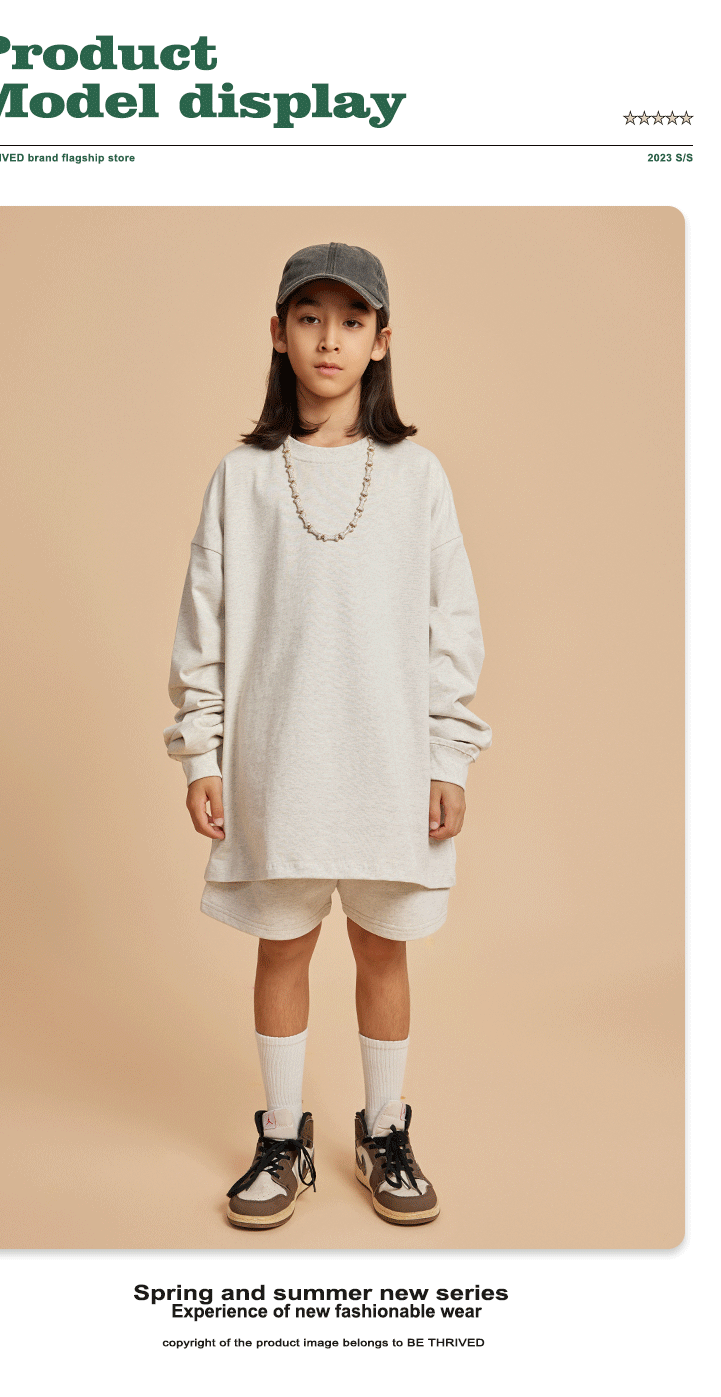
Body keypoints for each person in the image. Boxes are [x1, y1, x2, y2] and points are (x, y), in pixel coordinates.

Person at [163, 242, 491, 1229]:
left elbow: (451, 624)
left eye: (352, 320)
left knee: (383, 950)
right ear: (278, 332)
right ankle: (281, 1137)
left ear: (382, 340)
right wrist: (202, 751)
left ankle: (384, 1130)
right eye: (310, 317)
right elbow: (204, 624)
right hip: (278, 759)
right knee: (282, 948)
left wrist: (447, 755)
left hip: (390, 759)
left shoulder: (418, 476)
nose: (330, 339)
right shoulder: (242, 477)